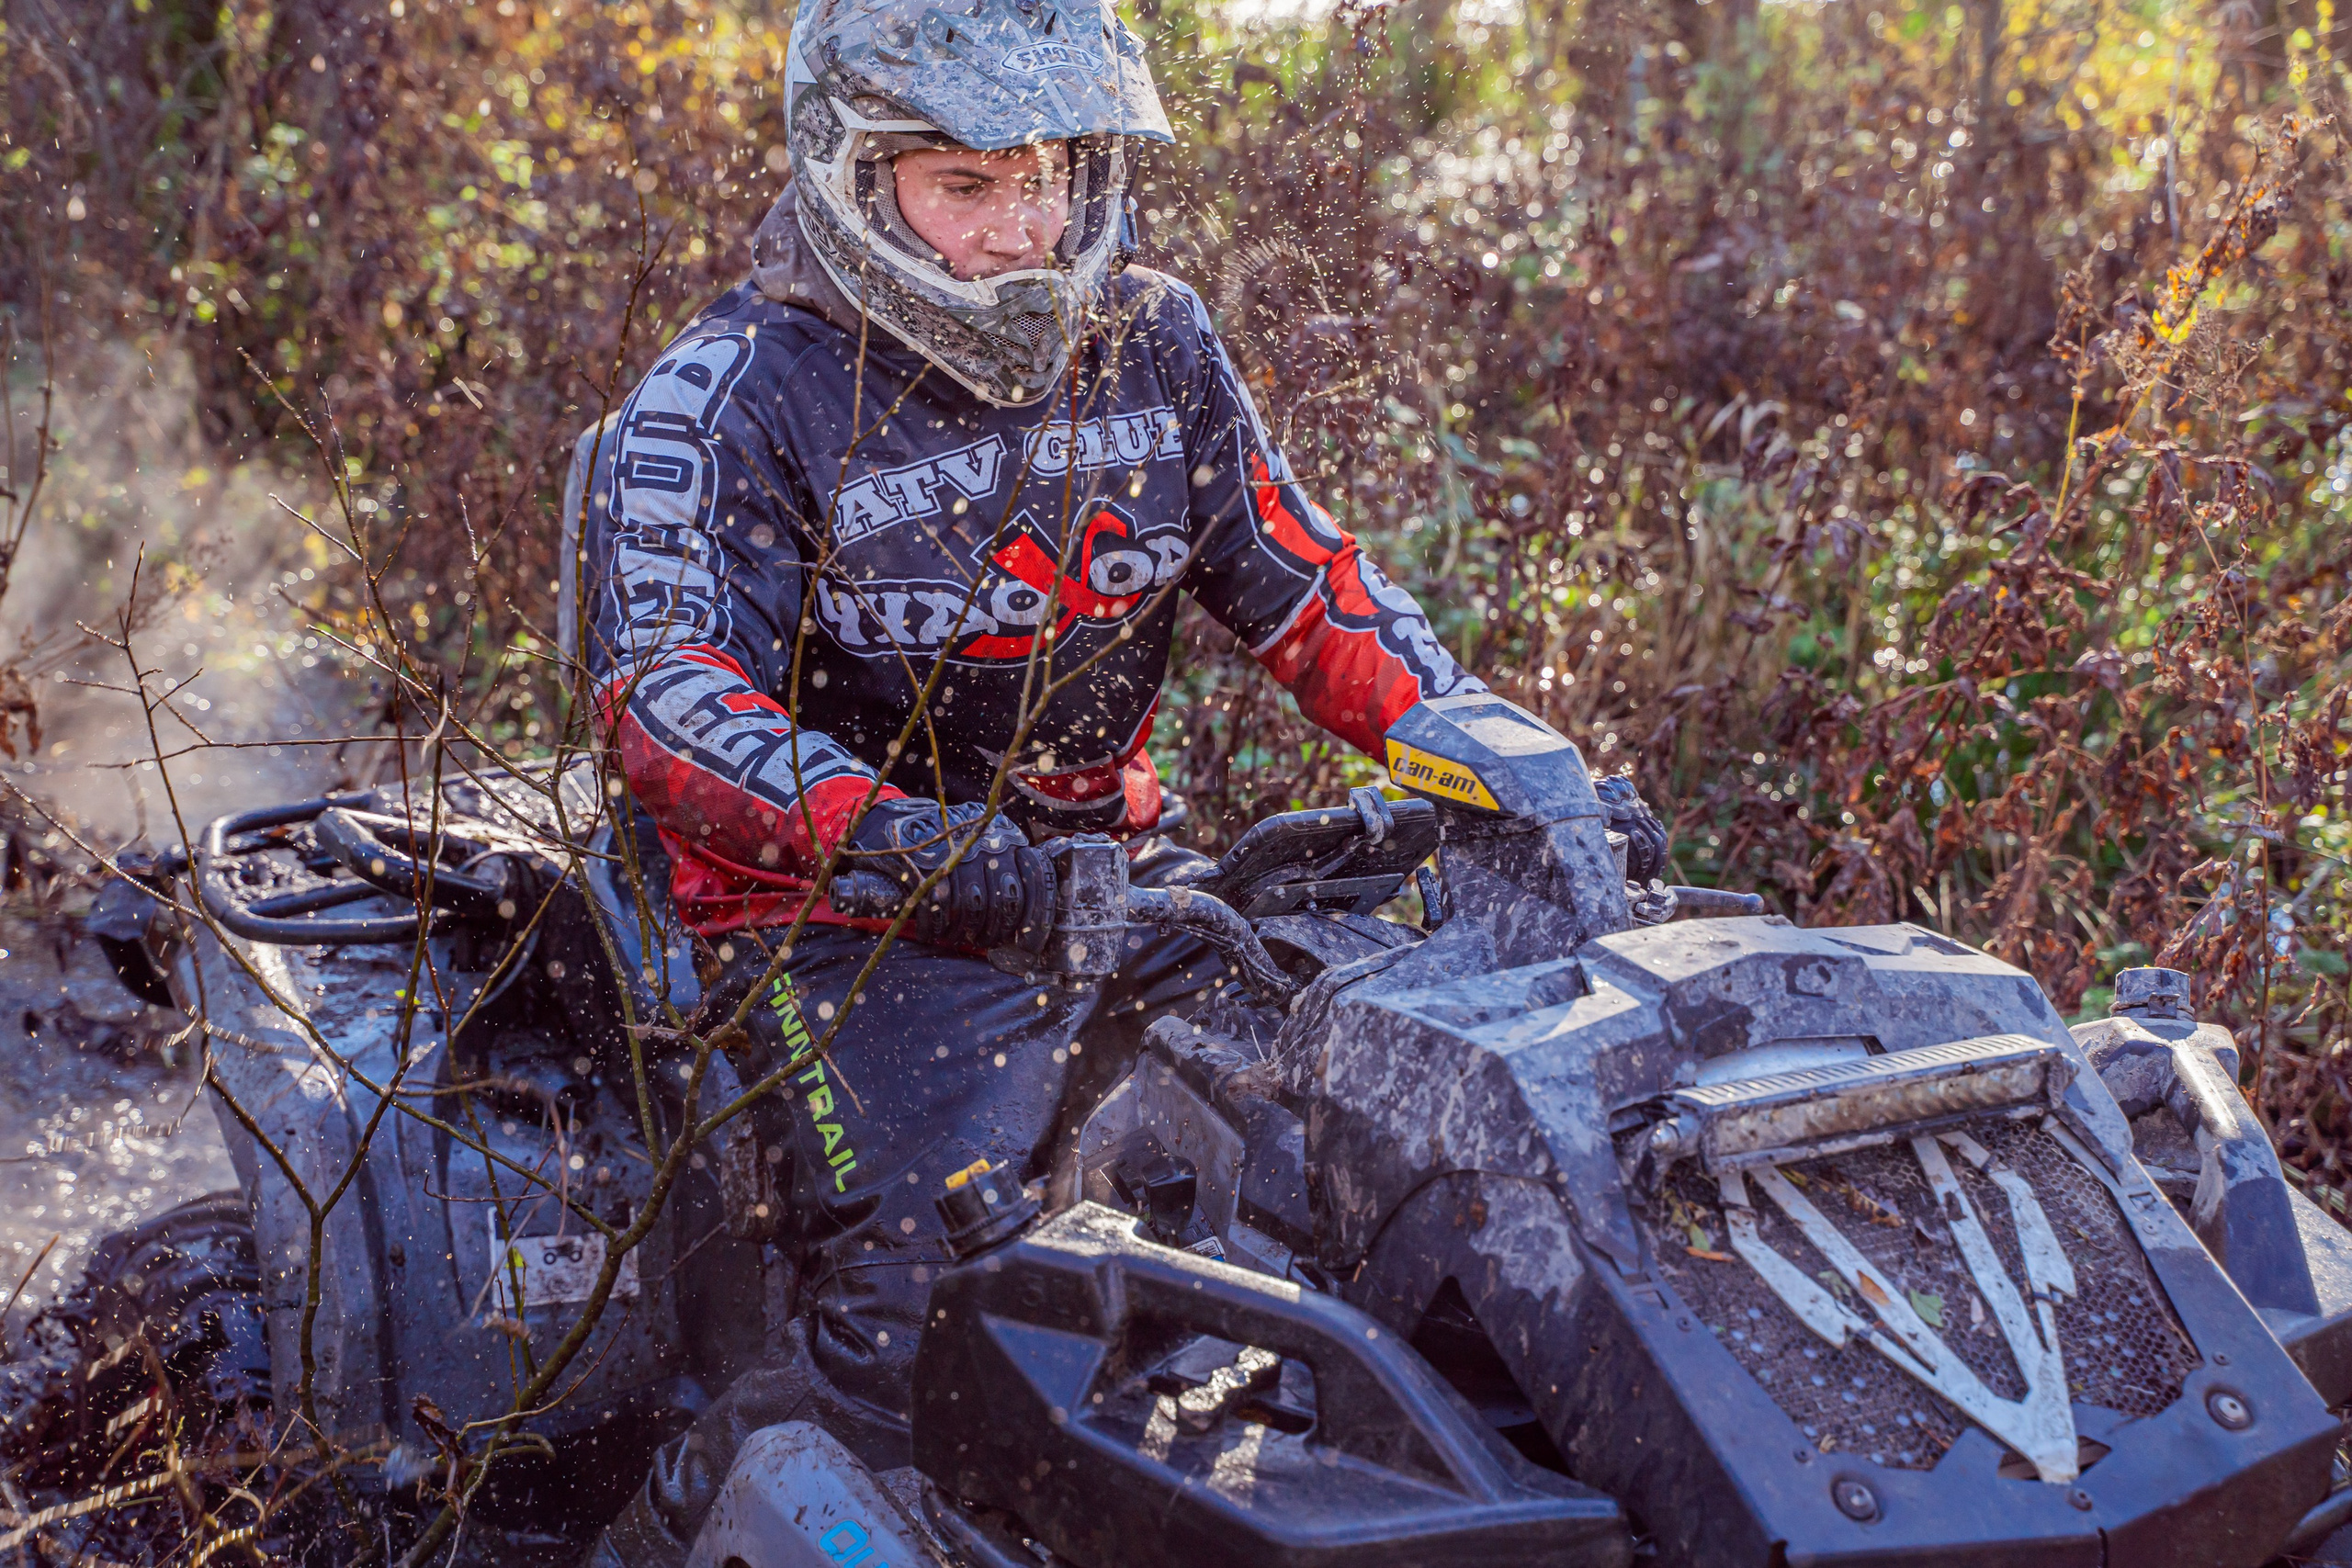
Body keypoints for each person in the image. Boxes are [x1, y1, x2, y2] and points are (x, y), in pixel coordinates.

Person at [578, 0, 1571, 1491]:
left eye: (1043, 175)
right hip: (834, 918)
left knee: (1398, 1169)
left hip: (1115, 879)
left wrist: (1495, 760)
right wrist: (904, 843)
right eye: (963, 186)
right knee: (931, 1318)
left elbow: (1311, 587)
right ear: (856, 178)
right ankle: (697, 1508)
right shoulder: (730, 396)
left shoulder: (1152, 341)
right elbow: (663, 694)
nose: (1020, 230)